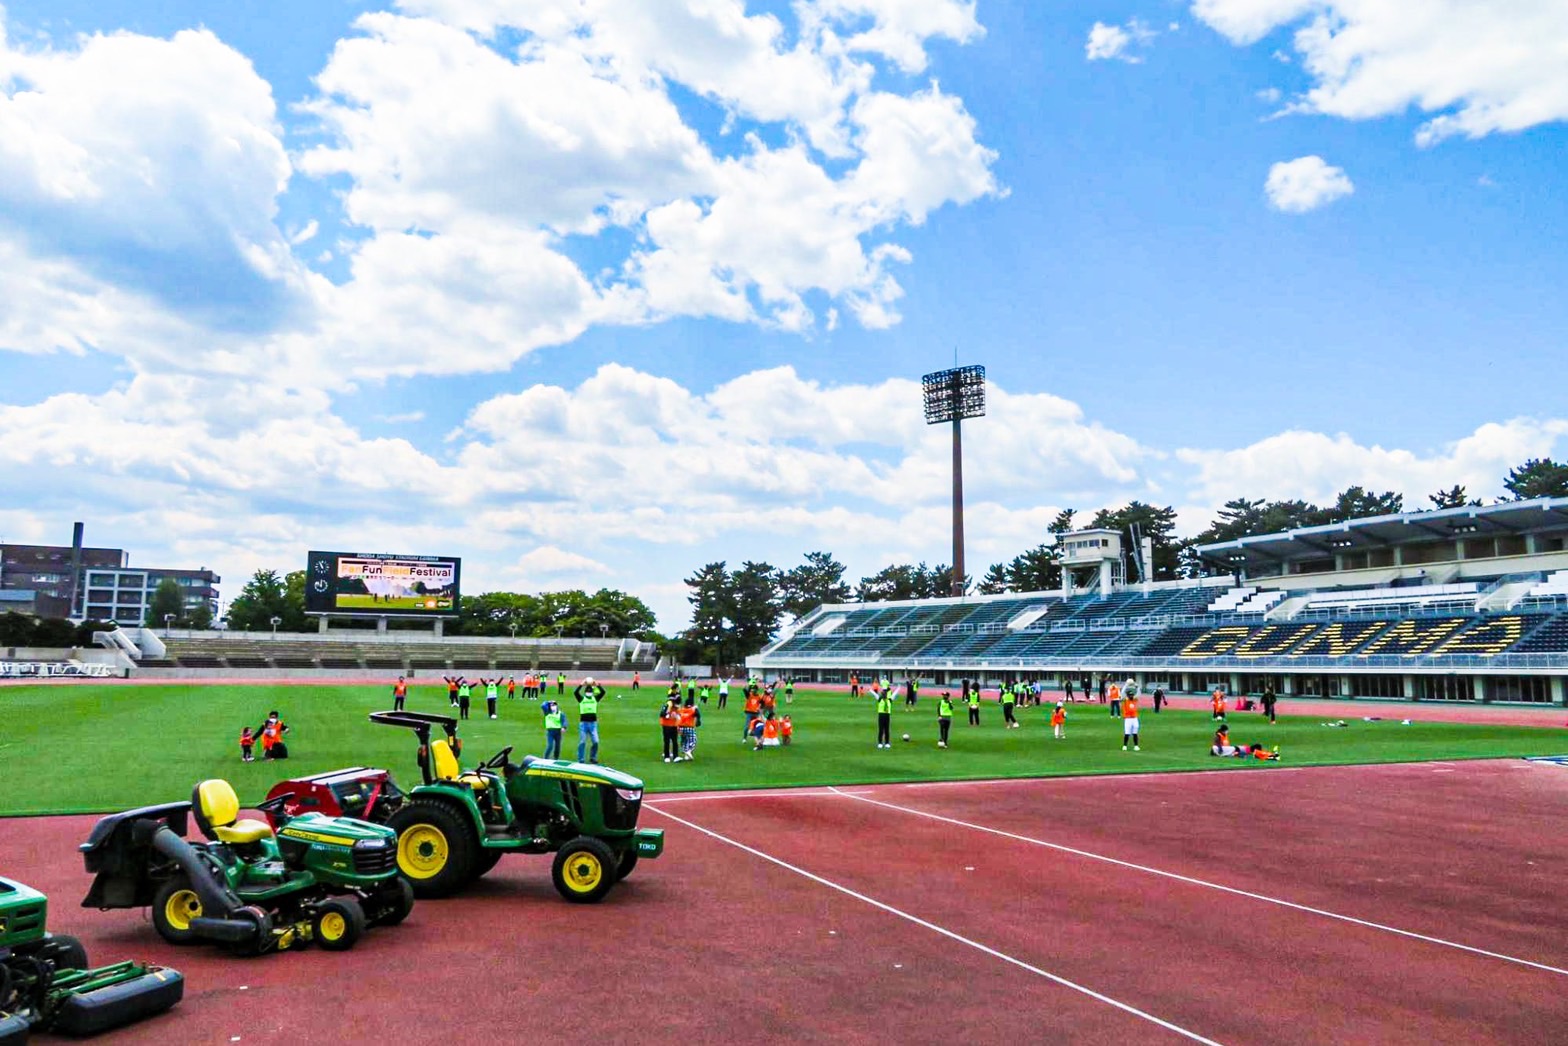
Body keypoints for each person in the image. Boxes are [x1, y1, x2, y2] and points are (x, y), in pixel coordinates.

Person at [574, 677, 605, 763]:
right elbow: (575, 692)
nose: (589, 693)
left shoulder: (595, 699)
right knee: (582, 742)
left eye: (590, 692)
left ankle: (593, 757)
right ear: (585, 692)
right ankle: (581, 758)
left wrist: (597, 684)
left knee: (596, 742)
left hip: (593, 724)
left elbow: (603, 692)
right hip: (583, 724)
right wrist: (581, 684)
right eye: (588, 692)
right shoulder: (581, 699)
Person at [659, 692, 681, 763]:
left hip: (674, 725)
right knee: (667, 741)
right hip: (666, 725)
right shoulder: (668, 704)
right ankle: (667, 756)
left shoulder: (677, 706)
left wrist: (677, 717)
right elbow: (662, 714)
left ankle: (675, 756)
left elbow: (679, 715)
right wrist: (668, 715)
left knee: (675, 741)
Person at [678, 697, 700, 761]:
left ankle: (686, 756)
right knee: (693, 740)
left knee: (684, 741)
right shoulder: (693, 709)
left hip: (680, 728)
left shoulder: (681, 709)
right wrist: (696, 708)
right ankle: (688, 750)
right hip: (689, 728)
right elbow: (697, 714)